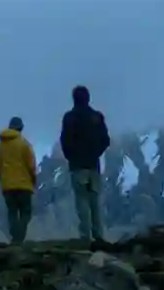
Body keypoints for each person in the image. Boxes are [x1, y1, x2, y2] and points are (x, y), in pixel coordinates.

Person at [60, 85, 112, 245]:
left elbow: (65, 141)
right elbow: (106, 140)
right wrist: (96, 153)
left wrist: (71, 157)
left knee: (81, 200)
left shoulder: (69, 118)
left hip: (77, 165)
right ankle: (98, 234)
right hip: (93, 165)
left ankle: (85, 236)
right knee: (94, 201)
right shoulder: (96, 117)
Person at [0, 117, 39, 243]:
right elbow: (31, 165)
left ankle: (15, 236)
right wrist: (33, 179)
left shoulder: (0, 147)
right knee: (26, 212)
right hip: (24, 185)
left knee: (12, 212)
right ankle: (19, 237)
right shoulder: (24, 144)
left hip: (7, 186)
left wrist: (2, 179)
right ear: (21, 128)